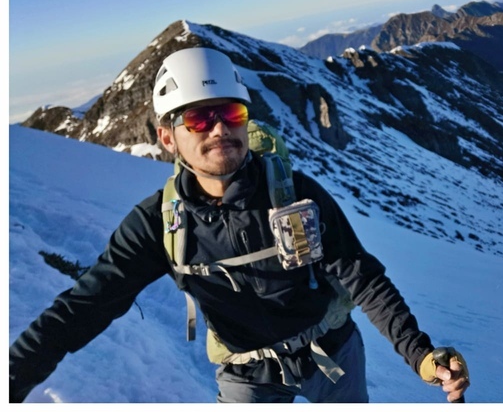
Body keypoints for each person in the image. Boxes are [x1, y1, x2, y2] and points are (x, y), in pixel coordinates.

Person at [9, 47, 470, 404]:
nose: (217, 129)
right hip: (247, 371)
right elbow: (86, 304)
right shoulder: (158, 224)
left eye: (230, 113)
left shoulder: (296, 194)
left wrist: (420, 354)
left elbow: (361, 277)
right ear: (167, 137)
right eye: (198, 117)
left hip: (331, 350)